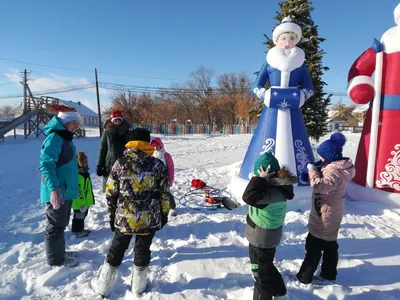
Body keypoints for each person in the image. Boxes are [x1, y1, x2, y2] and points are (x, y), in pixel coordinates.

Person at [91, 128, 170, 297]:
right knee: (143, 249)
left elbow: (111, 193)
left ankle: (103, 286)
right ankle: (138, 287)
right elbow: (164, 194)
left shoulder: (120, 163)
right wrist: (164, 214)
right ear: (147, 144)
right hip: (149, 218)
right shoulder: (157, 165)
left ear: (131, 143)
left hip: (125, 218)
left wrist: (112, 214)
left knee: (117, 249)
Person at [239, 17, 315, 185]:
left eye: (292, 38)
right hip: (271, 110)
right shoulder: (269, 62)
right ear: (277, 40)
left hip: (294, 110)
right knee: (266, 137)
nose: (288, 42)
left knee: (298, 141)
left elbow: (309, 88)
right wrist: (265, 95)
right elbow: (257, 85)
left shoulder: (300, 64)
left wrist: (302, 96)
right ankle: (260, 176)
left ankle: (300, 176)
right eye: (284, 38)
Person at [296, 133, 355, 284]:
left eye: (322, 156)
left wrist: (312, 171)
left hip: (325, 214)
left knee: (314, 246)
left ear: (329, 157)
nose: (320, 159)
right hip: (332, 211)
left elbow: (320, 186)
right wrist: (317, 168)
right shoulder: (338, 167)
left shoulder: (333, 171)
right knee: (330, 244)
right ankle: (329, 274)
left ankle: (304, 276)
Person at [242, 152, 298, 300]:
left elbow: (248, 197)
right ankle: (279, 290)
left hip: (262, 239)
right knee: (265, 266)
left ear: (268, 176)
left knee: (261, 274)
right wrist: (262, 181)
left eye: (258, 175)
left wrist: (260, 180)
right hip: (260, 236)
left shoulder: (272, 194)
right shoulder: (274, 188)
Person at [40, 111, 81, 267]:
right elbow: (46, 165)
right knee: (55, 226)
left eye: (77, 123)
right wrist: (54, 189)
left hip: (64, 190)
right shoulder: (55, 138)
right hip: (57, 191)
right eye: (74, 123)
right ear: (65, 123)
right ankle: (56, 261)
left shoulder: (65, 138)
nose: (76, 126)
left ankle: (59, 253)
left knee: (61, 224)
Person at [96, 109, 130, 192]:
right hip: (109, 164)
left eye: (119, 120)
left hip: (124, 164)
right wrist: (99, 165)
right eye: (115, 120)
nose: (117, 122)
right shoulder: (107, 133)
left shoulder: (127, 133)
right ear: (112, 121)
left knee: (123, 189)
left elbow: (131, 148)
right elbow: (103, 149)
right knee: (110, 189)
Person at [150, 137, 177, 216]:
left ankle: (172, 207)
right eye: (153, 146)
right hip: (155, 178)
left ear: (160, 145)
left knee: (167, 193)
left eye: (157, 145)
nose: (155, 147)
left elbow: (171, 168)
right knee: (155, 193)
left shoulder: (166, 155)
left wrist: (171, 179)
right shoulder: (152, 156)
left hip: (165, 178)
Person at [71, 152, 94, 238]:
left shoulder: (84, 172)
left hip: (84, 201)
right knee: (78, 216)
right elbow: (79, 189)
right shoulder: (78, 175)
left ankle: (80, 229)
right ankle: (77, 230)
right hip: (79, 202)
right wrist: (82, 203)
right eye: (84, 161)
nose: (86, 163)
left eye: (87, 161)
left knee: (82, 216)